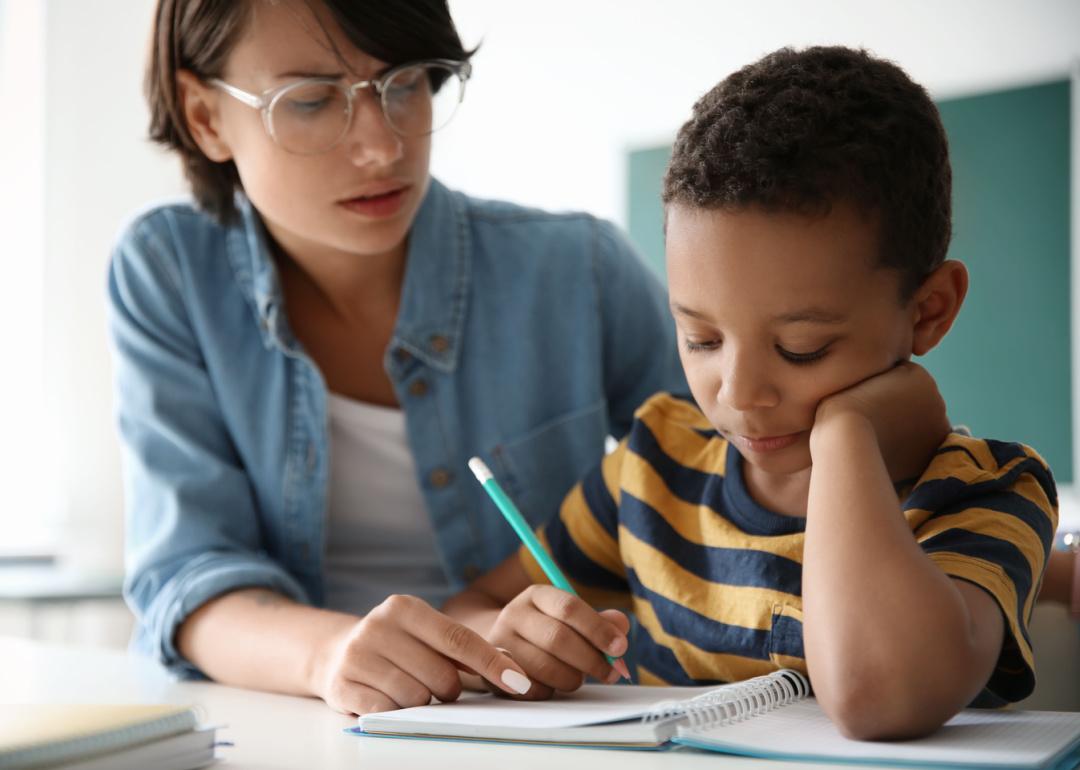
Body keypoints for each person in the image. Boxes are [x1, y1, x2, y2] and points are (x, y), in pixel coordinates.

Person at [445, 46, 1058, 741]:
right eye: (701, 339)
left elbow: (879, 698)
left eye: (802, 349)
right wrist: (515, 635)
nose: (738, 394)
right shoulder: (654, 464)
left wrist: (847, 435)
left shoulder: (986, 493)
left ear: (928, 311)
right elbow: (477, 604)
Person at [108, 0, 684, 716]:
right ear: (204, 118)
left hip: (553, 726)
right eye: (312, 100)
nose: (383, 146)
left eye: (405, 83)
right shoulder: (170, 271)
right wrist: (331, 655)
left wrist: (561, 626)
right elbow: (186, 578)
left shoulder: (580, 271)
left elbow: (733, 492)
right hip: (291, 728)